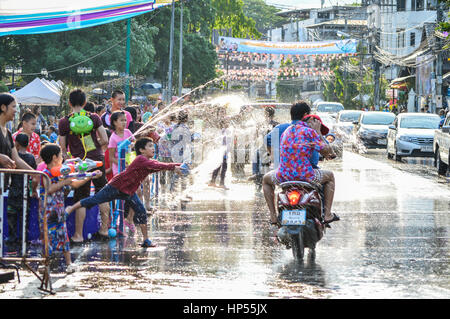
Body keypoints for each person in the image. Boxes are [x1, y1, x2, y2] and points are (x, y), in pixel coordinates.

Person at [65, 137, 183, 248]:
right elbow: (157, 165)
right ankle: (71, 208)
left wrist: (177, 166)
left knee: (141, 211)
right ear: (141, 150)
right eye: (150, 146)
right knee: (94, 200)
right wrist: (174, 166)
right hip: (115, 186)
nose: (153, 148)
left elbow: (157, 167)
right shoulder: (141, 159)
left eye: (153, 146)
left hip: (128, 191)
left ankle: (146, 240)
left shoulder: (147, 162)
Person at [262, 101, 339, 228]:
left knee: (265, 180)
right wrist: (318, 132)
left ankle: (273, 216)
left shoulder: (286, 130)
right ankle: (327, 215)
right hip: (305, 176)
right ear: (306, 115)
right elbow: (328, 154)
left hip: (283, 176)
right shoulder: (309, 132)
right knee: (330, 176)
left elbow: (269, 141)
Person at [38, 143, 102, 273]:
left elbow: (75, 184)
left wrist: (90, 175)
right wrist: (64, 182)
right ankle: (45, 264)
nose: (63, 157)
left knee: (64, 236)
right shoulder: (45, 173)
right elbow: (49, 188)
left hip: (59, 210)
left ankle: (69, 263)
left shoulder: (63, 172)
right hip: (47, 212)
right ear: (55, 157)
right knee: (46, 237)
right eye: (61, 154)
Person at [58, 89, 110, 243]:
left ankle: (78, 235)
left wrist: (70, 158)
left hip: (79, 164)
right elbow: (105, 139)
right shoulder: (93, 117)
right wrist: (96, 149)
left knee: (81, 197)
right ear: (85, 103)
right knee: (103, 192)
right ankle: (104, 230)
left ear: (69, 103)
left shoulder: (65, 121)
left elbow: (62, 147)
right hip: (96, 160)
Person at [6, 133, 37, 251]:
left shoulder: (13, 157)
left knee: (12, 217)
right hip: (25, 192)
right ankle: (24, 240)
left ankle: (12, 239)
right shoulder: (31, 158)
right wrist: (33, 190)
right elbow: (34, 177)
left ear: (16, 144)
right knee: (25, 217)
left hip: (13, 190)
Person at [0, 93, 35, 172]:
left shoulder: (8, 133)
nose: (16, 110)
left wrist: (35, 174)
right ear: (3, 107)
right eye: (13, 106)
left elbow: (17, 159)